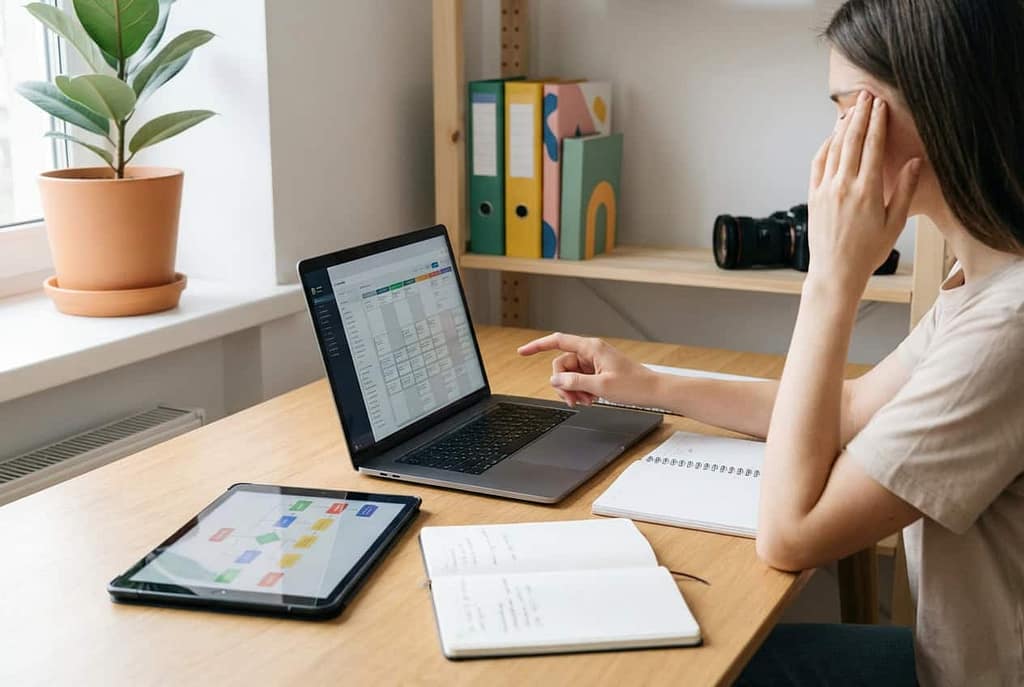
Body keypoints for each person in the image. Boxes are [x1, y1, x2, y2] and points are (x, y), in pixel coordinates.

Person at [517, 1, 1024, 685]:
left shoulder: (1008, 328)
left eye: (853, 111)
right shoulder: (986, 283)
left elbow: (790, 533)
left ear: (939, 109)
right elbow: (845, 412)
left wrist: (832, 278)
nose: (835, 144)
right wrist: (648, 383)